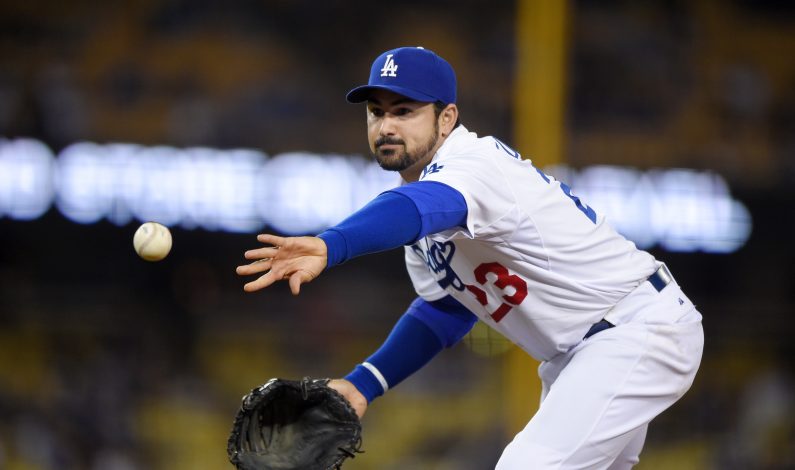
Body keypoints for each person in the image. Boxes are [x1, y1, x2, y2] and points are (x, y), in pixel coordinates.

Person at [235, 46, 704, 469]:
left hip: (635, 328)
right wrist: (364, 384)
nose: (386, 125)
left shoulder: (473, 165)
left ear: (446, 118)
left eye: (405, 111)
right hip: (581, 355)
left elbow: (427, 207)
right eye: (376, 113)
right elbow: (447, 308)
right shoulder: (416, 204)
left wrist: (330, 244)